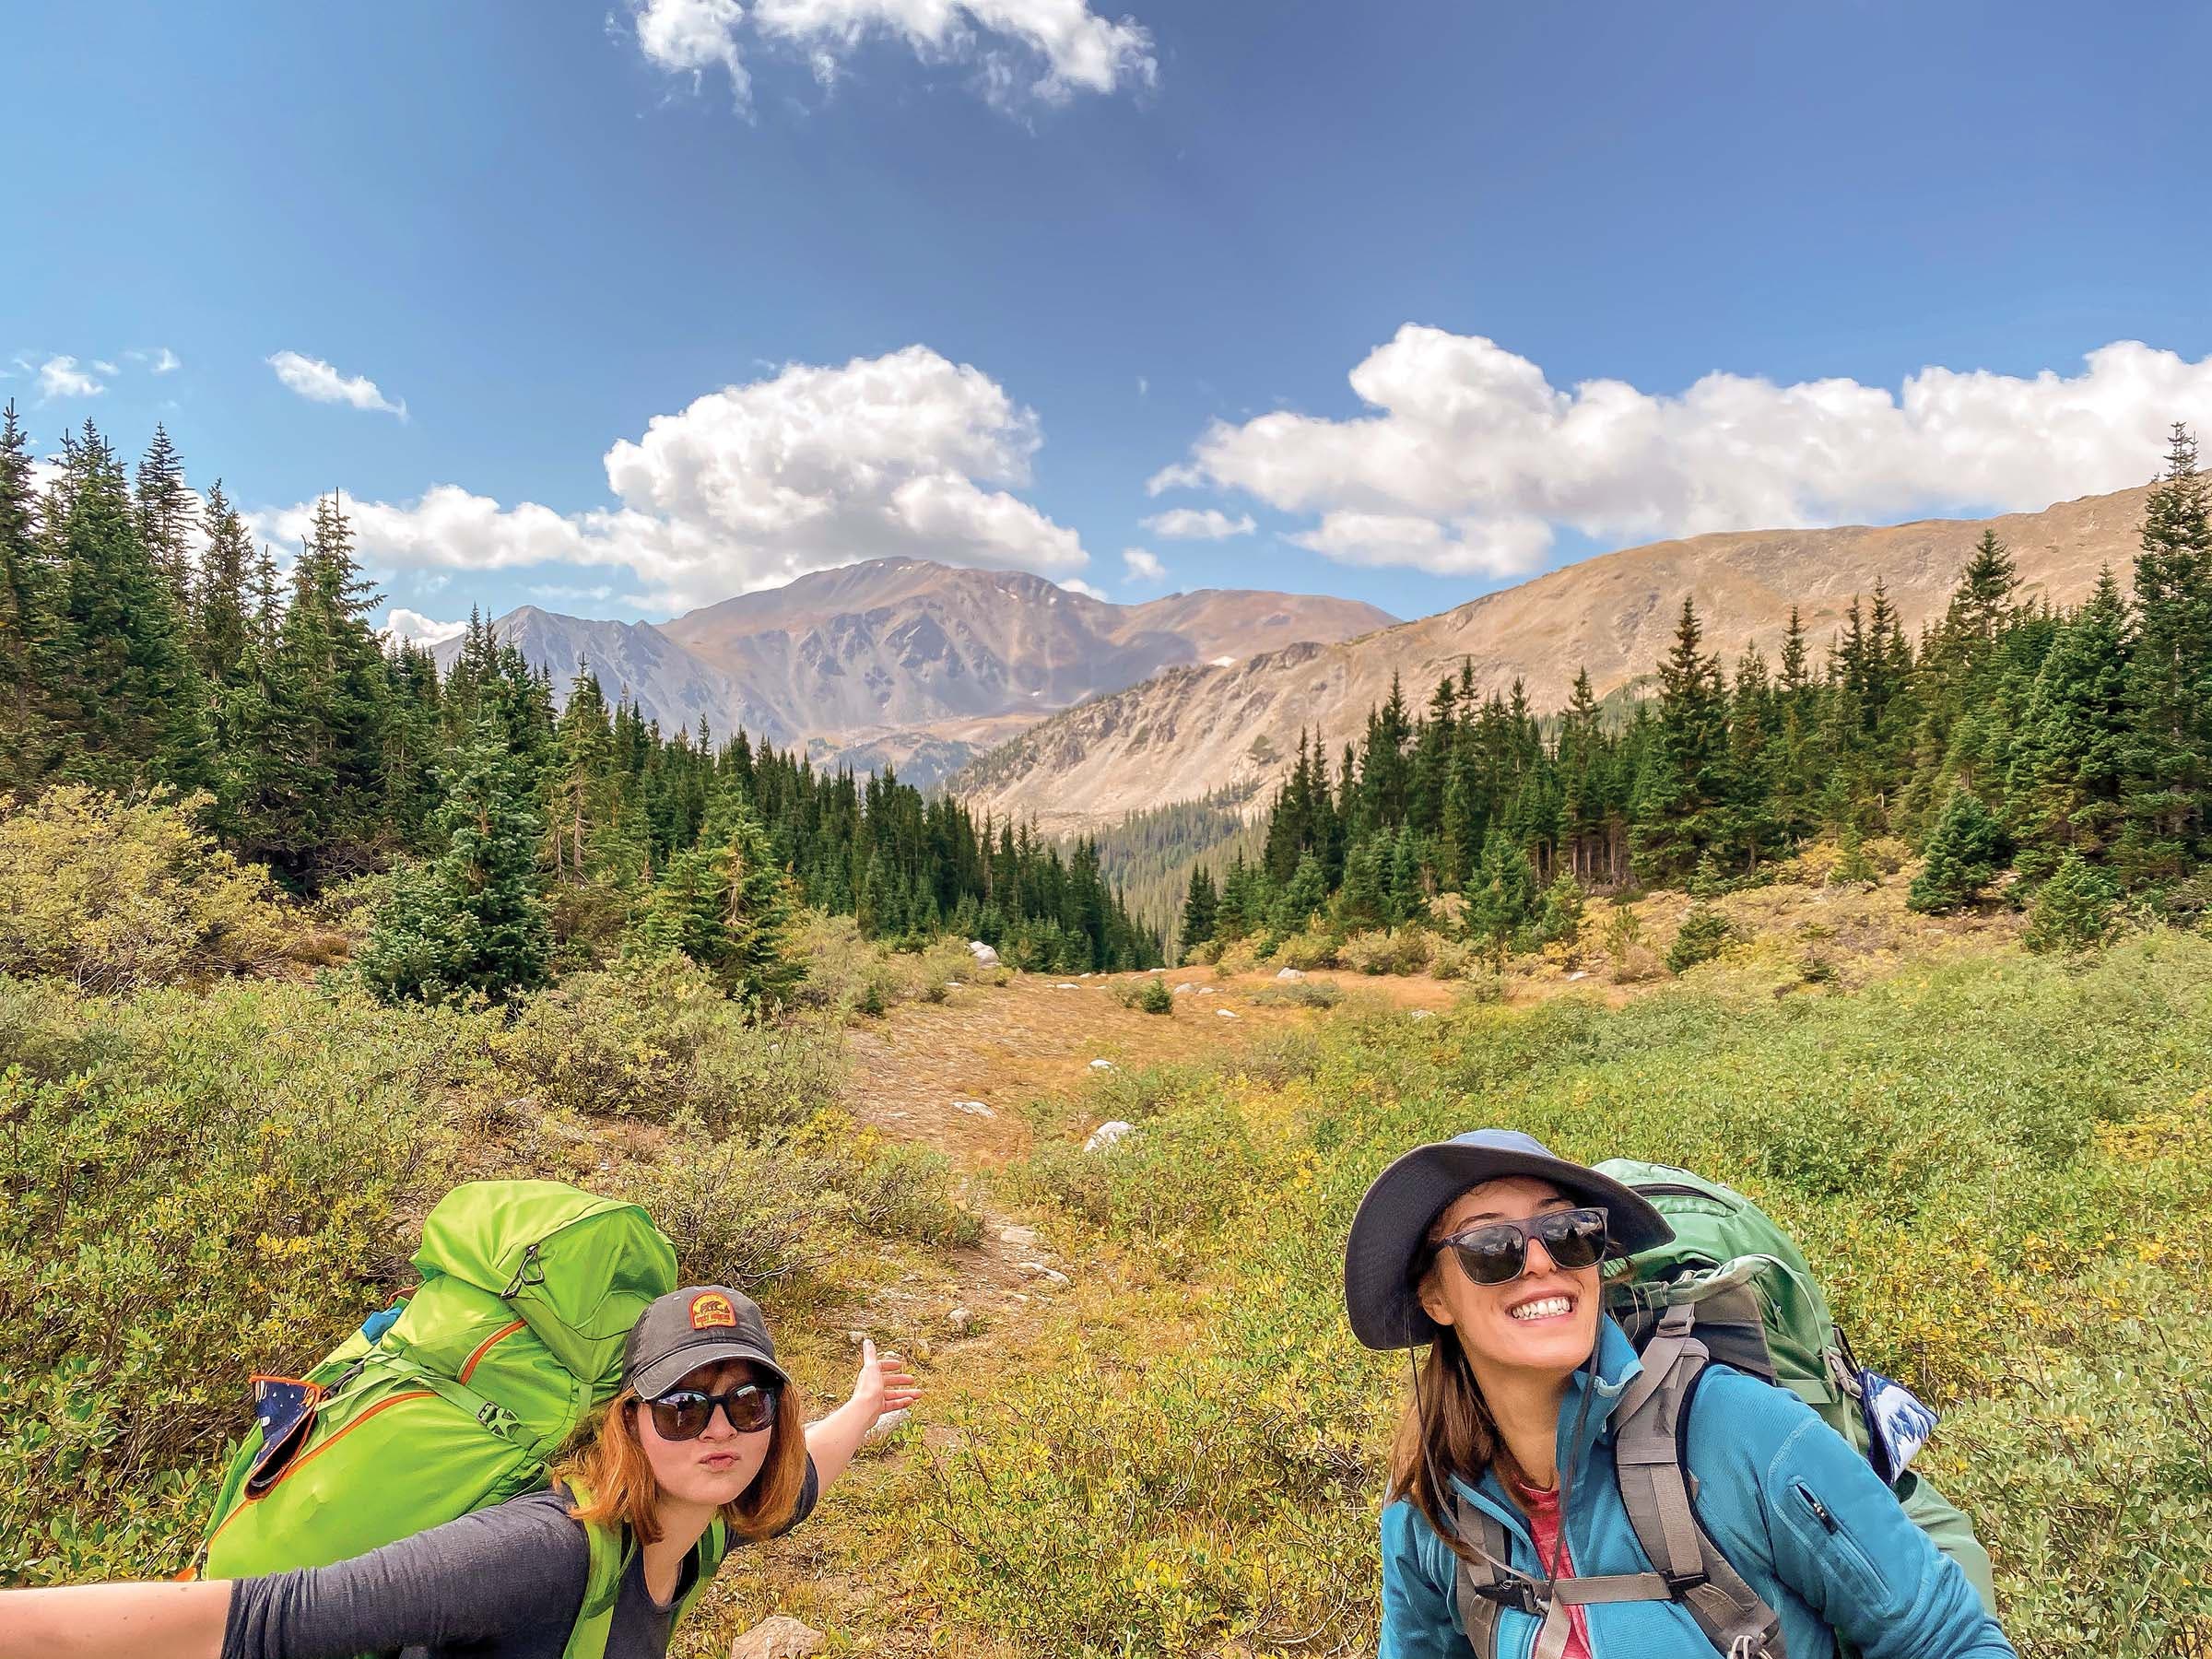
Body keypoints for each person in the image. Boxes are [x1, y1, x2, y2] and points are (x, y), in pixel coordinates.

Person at [1342, 1129, 2014, 1659]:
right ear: (1434, 1295)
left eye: (1566, 1233)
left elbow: (1947, 1639)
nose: (1542, 1262)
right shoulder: (1431, 1513)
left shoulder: (1741, 1432)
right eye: (1491, 1247)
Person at [1, 1285, 921, 1659]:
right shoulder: (536, 1556)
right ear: (632, 1426)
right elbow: (252, 1620)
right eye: (685, 1405)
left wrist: (865, 1405)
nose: (720, 1429)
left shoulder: (704, 1528)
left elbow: (803, 1477)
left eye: (747, 1402)